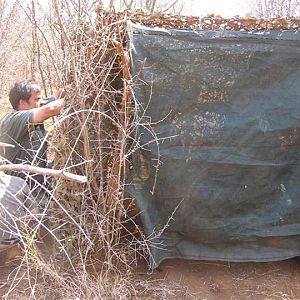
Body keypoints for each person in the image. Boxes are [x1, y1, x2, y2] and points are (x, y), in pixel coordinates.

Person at [0, 79, 66, 207]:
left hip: (37, 186)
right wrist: (77, 101)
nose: (40, 102)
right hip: (18, 193)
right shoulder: (15, 120)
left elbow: (54, 98)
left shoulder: (34, 106)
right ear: (22, 103)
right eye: (36, 99)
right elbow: (50, 109)